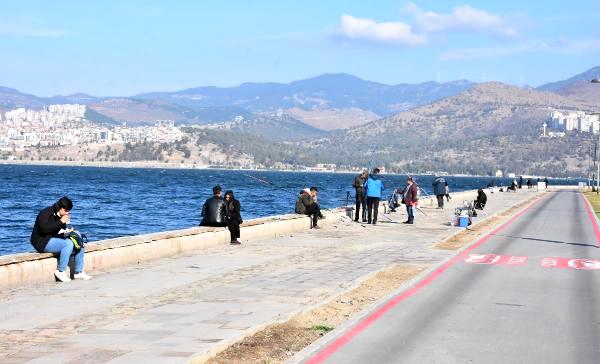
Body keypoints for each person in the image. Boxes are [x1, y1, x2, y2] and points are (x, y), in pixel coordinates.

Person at [30, 196, 92, 282]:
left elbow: (59, 230)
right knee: (68, 244)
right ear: (61, 208)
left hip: (53, 238)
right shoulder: (45, 213)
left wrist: (67, 231)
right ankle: (61, 271)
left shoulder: (62, 215)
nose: (67, 213)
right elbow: (45, 229)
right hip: (41, 242)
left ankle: (78, 272)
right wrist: (61, 221)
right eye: (66, 211)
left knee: (78, 237)